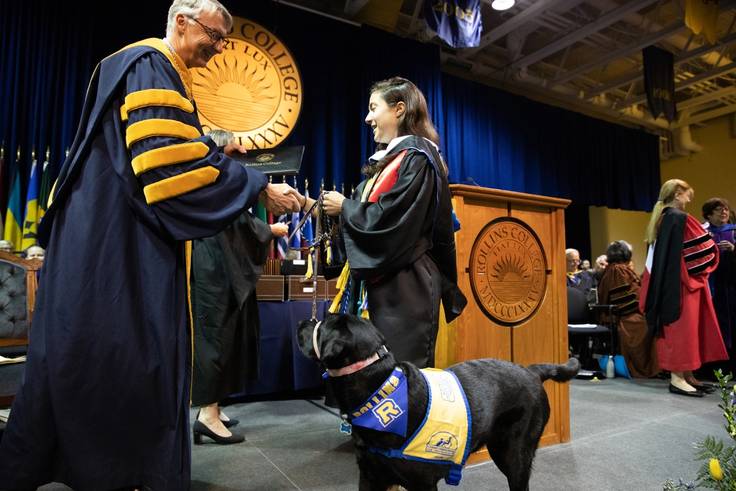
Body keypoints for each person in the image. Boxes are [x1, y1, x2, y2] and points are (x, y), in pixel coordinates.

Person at [0, 1, 300, 489]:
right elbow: (171, 171)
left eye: (225, 39)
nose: (220, 48)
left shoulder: (153, 71)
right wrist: (258, 187)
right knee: (121, 358)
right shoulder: (150, 64)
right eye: (214, 35)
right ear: (181, 21)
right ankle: (120, 472)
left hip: (109, 237)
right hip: (118, 248)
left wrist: (227, 165)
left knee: (91, 357)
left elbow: (175, 150)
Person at [301, 77, 466, 368]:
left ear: (399, 109)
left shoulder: (418, 157)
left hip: (407, 285)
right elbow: (363, 212)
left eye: (373, 108)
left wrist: (346, 207)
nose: (367, 118)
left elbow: (393, 218)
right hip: (385, 283)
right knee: (375, 374)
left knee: (401, 375)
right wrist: (307, 205)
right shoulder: (390, 162)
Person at [191, 129, 289, 445]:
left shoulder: (222, 177)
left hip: (222, 265)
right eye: (235, 144)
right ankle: (206, 413)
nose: (243, 150)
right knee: (214, 338)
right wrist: (269, 230)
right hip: (212, 267)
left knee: (227, 336)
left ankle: (214, 407)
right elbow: (232, 222)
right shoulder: (207, 176)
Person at [640, 179, 727, 397]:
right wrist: (713, 244)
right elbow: (704, 248)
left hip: (670, 283)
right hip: (682, 285)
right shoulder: (680, 218)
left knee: (685, 329)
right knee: (682, 329)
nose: (690, 199)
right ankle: (677, 378)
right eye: (688, 194)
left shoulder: (661, 219)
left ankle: (687, 375)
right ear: (678, 193)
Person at [597, 240, 658, 378]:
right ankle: (645, 368)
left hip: (624, 312)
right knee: (646, 323)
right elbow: (625, 298)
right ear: (625, 254)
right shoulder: (618, 270)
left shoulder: (615, 269)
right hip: (623, 315)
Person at [702, 197, 736, 374]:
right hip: (711, 287)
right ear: (708, 215)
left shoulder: (734, 231)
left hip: (732, 286)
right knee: (715, 328)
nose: (724, 212)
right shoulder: (701, 233)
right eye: (718, 210)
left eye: (726, 209)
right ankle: (717, 369)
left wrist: (733, 249)